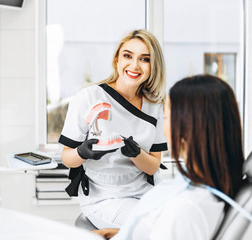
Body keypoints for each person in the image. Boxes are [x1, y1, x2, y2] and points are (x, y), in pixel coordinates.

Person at [93, 74, 246, 239]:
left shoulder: (187, 209)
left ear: (185, 130)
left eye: (165, 117)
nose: (163, 127)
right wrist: (119, 234)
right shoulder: (203, 190)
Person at [58, 29, 168, 229]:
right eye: (127, 56)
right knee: (153, 227)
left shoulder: (155, 105)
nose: (134, 65)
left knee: (181, 222)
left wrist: (135, 154)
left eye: (144, 59)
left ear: (153, 66)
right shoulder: (89, 97)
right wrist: (83, 153)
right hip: (106, 197)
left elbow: (153, 166)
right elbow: (67, 157)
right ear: (117, 59)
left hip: (146, 191)